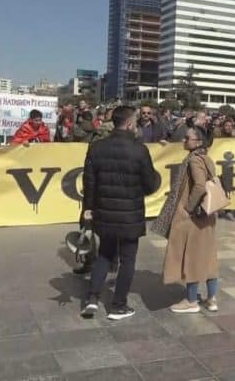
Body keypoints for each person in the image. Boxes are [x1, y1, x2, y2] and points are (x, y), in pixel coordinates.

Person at [80, 106, 161, 320]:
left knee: (104, 255)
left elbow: (89, 182)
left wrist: (88, 209)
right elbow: (151, 184)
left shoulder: (96, 147)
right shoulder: (139, 149)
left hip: (104, 212)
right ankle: (118, 305)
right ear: (129, 123)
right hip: (129, 215)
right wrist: (156, 178)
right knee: (127, 260)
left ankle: (91, 299)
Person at [152, 126, 220, 314]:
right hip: (207, 214)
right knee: (207, 257)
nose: (184, 140)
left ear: (198, 142)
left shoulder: (194, 161)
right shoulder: (206, 158)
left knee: (191, 257)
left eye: (187, 138)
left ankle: (191, 300)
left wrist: (189, 207)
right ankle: (212, 299)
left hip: (194, 216)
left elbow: (199, 186)